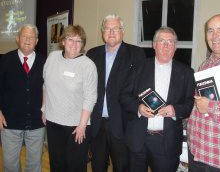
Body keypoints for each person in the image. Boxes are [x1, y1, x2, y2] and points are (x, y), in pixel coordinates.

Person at [119, 26, 195, 172]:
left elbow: (190, 103)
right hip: (137, 140)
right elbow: (124, 96)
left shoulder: (186, 72)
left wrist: (175, 110)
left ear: (175, 46)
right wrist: (138, 108)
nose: (166, 46)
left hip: (166, 142)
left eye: (170, 41)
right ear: (154, 45)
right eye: (161, 41)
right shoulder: (138, 67)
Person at [86, 14, 146, 172]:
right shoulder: (92, 54)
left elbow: (140, 88)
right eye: (107, 28)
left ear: (123, 31)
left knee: (122, 167)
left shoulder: (136, 54)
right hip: (97, 124)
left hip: (122, 123)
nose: (111, 32)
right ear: (102, 31)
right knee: (98, 166)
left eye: (115, 28)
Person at [188, 14, 220, 171]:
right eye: (210, 31)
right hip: (196, 151)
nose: (215, 36)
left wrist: (210, 107)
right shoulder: (204, 66)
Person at [42, 25, 97, 172]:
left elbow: (90, 97)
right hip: (53, 122)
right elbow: (45, 85)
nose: (74, 44)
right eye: (70, 39)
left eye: (79, 41)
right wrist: (44, 109)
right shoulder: (52, 57)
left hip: (76, 126)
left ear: (83, 44)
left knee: (75, 166)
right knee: (56, 164)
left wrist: (82, 126)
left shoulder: (87, 65)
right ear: (63, 41)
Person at [0, 24, 46, 172]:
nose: (28, 40)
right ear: (17, 39)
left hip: (37, 122)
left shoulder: (45, 61)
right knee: (10, 164)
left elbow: (50, 89)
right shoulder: (5, 60)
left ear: (37, 40)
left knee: (35, 164)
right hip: (10, 122)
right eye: (24, 36)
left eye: (31, 37)